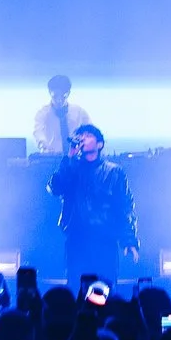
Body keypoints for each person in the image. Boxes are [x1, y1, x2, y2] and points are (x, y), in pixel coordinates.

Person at [48, 123, 136, 287]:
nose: (82, 138)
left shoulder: (114, 172)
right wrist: (70, 158)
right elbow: (55, 188)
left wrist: (128, 239)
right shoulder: (72, 168)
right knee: (76, 288)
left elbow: (124, 206)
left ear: (99, 144)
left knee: (104, 289)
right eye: (79, 136)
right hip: (77, 239)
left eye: (87, 135)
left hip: (104, 240)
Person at [31, 74, 91, 155]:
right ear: (49, 93)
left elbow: (91, 131)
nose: (59, 100)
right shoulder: (42, 113)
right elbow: (38, 132)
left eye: (63, 96)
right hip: (52, 158)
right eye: (55, 96)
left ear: (69, 93)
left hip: (76, 158)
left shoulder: (79, 112)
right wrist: (43, 144)